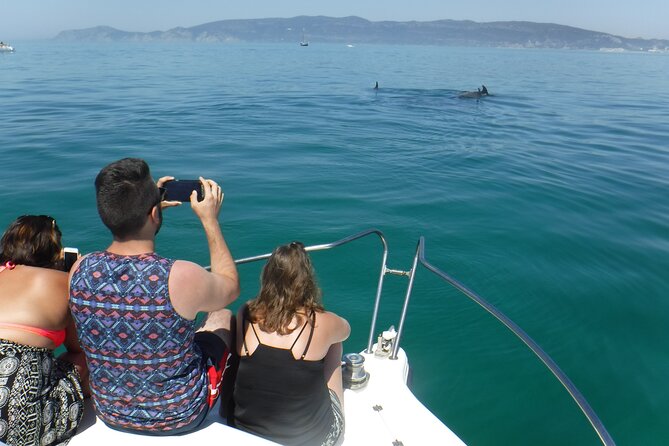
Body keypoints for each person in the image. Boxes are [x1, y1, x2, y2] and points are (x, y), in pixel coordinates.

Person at [69, 158, 240, 435]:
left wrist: (148, 209)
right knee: (221, 315)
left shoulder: (80, 269)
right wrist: (210, 221)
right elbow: (230, 287)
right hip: (182, 414)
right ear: (154, 214)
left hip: (110, 412)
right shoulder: (180, 276)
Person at [233, 241, 350, 446]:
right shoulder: (319, 321)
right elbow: (346, 330)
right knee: (334, 344)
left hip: (245, 432)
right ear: (306, 281)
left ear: (267, 277)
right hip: (313, 440)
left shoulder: (246, 312)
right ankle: (335, 409)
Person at [0, 215, 86, 446]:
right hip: (18, 425)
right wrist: (71, 276)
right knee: (82, 361)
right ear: (53, 250)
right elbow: (77, 348)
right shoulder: (61, 282)